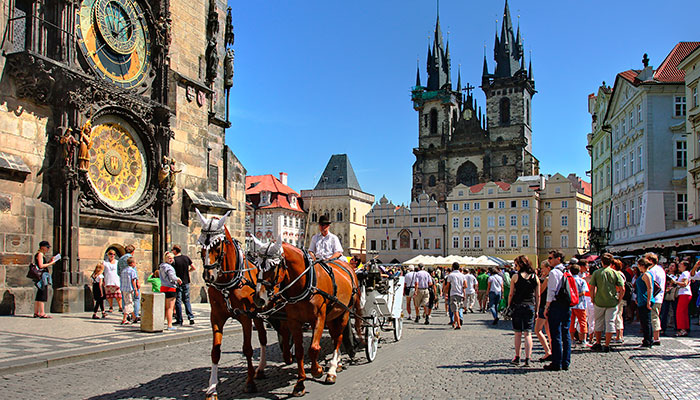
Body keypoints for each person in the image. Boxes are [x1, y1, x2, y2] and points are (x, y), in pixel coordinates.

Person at [508, 255, 540, 367]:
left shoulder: (515, 277)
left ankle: (517, 357)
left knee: (518, 333)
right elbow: (538, 295)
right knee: (528, 333)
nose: (515, 267)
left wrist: (509, 305)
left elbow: (511, 294)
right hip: (530, 306)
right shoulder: (535, 277)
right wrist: (537, 309)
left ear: (521, 265)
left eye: (516, 264)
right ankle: (528, 358)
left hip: (517, 306)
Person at [589, 253, 624, 353]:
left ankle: (598, 343)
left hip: (599, 301)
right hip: (612, 301)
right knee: (610, 322)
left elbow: (592, 288)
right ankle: (607, 345)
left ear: (602, 262)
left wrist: (592, 298)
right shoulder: (615, 273)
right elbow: (622, 288)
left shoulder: (597, 273)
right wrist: (619, 299)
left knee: (598, 322)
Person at [543, 250, 571, 372]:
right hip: (567, 304)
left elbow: (551, 291)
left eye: (550, 258)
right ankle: (566, 362)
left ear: (558, 258)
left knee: (556, 334)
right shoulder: (567, 270)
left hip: (556, 304)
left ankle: (556, 362)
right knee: (566, 333)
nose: (549, 260)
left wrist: (546, 307)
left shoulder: (554, 272)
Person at [172, 245, 195, 326]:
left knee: (178, 301)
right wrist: (188, 271)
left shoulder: (174, 260)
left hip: (178, 282)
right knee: (186, 300)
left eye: (172, 250)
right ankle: (191, 317)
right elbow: (193, 267)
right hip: (186, 281)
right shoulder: (186, 258)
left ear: (175, 251)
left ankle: (179, 319)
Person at [33, 241, 57, 318]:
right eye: (47, 247)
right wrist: (51, 263)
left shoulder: (40, 254)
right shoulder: (40, 254)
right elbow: (41, 265)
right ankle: (42, 313)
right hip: (42, 277)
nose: (48, 249)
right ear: (42, 247)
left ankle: (36, 312)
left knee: (39, 294)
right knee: (42, 294)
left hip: (41, 276)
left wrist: (50, 261)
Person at [635, 258, 655, 349]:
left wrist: (648, 301)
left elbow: (649, 287)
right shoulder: (645, 274)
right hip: (642, 299)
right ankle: (647, 340)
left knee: (646, 321)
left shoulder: (646, 274)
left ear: (642, 265)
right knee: (644, 321)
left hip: (644, 300)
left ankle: (648, 341)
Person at [646, 252, 666, 345]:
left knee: (654, 317)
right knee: (656, 316)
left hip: (654, 297)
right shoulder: (660, 269)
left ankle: (656, 338)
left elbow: (650, 285)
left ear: (650, 260)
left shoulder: (652, 271)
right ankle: (655, 337)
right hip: (659, 297)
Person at [159, 252, 182, 331]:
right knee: (170, 308)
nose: (171, 260)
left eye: (172, 258)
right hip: (170, 288)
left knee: (165, 308)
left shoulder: (161, 266)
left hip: (163, 287)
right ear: (166, 258)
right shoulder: (169, 267)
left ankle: (161, 323)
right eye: (169, 258)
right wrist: (177, 279)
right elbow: (172, 277)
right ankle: (169, 324)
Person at [568, 264, 589, 347]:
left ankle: (572, 340)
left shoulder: (568, 280)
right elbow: (584, 292)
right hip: (580, 304)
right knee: (582, 322)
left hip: (570, 304)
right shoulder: (582, 281)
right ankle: (583, 340)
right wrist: (577, 296)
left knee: (571, 322)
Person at [535, 260, 552, 362]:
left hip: (543, 306)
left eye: (542, 268)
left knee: (538, 330)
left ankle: (547, 351)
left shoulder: (547, 279)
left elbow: (540, 291)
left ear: (548, 268)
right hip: (549, 305)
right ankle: (551, 350)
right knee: (548, 330)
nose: (541, 270)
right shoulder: (550, 278)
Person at [445, 262, 467, 329]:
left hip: (453, 294)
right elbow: (465, 285)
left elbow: (448, 286)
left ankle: (458, 325)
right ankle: (454, 323)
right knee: (458, 309)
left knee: (455, 310)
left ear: (453, 267)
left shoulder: (451, 275)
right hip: (460, 294)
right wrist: (461, 288)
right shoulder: (462, 275)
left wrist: (445, 292)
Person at [673, 261, 692, 337]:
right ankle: (685, 328)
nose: (679, 265)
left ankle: (682, 329)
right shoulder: (685, 273)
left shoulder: (685, 273)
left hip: (684, 294)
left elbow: (684, 283)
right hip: (684, 294)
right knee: (684, 312)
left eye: (681, 264)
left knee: (680, 312)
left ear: (685, 266)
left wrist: (675, 282)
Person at [120, 257, 140, 325]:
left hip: (123, 289)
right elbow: (133, 281)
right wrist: (136, 290)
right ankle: (124, 319)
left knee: (128, 302)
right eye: (135, 263)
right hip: (129, 289)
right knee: (129, 303)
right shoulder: (132, 271)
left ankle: (134, 317)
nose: (135, 264)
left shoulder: (124, 271)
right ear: (132, 263)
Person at [612, 260, 626, 344]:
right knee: (619, 315)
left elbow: (621, 287)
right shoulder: (620, 274)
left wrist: (620, 298)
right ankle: (619, 335)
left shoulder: (618, 274)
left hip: (618, 295)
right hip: (619, 295)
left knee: (617, 315)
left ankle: (619, 336)